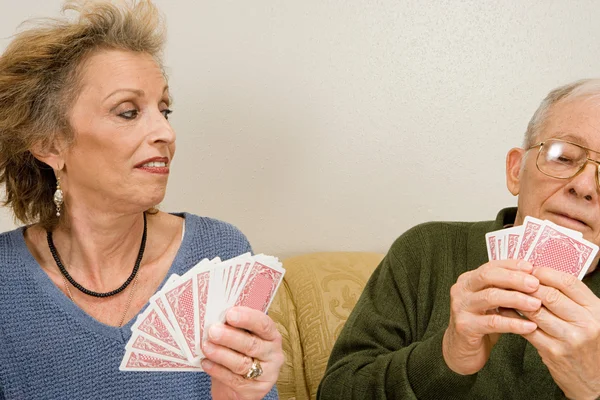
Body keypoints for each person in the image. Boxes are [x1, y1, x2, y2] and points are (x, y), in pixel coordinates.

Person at [0, 1, 283, 399]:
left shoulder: (221, 251)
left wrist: (243, 393)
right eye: (129, 112)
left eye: (164, 110)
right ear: (49, 143)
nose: (166, 133)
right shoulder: (5, 280)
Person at [318, 79, 600, 400]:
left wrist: (593, 387)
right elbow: (335, 392)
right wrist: (445, 357)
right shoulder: (424, 251)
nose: (585, 186)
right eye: (563, 157)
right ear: (515, 170)